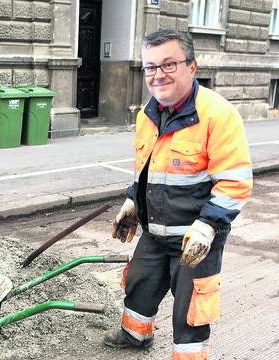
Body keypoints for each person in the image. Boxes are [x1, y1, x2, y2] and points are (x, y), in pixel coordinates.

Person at [104, 29, 253, 359]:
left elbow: (235, 183)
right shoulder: (149, 113)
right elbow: (148, 168)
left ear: (192, 67)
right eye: (150, 67)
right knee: (139, 286)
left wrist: (209, 225)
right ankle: (135, 336)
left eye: (169, 65)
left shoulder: (217, 114)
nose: (158, 75)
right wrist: (133, 200)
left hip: (195, 238)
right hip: (155, 232)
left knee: (190, 309)